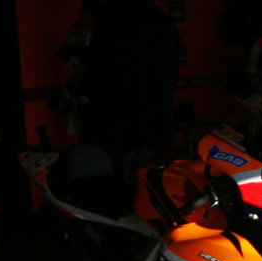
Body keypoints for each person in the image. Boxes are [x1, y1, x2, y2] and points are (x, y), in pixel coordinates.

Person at [75, 0, 182, 180]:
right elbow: (171, 73)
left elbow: (99, 76)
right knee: (149, 182)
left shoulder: (110, 22)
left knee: (118, 185)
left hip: (118, 122)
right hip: (156, 121)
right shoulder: (163, 21)